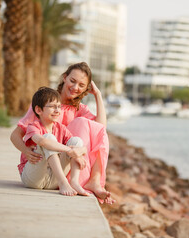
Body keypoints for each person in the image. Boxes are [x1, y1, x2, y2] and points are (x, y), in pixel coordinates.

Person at [10, 62, 115, 204]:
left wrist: (98, 95)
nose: (75, 87)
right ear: (64, 77)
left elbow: (100, 129)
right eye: (72, 81)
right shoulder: (44, 104)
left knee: (87, 128)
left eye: (81, 85)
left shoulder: (79, 109)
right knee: (49, 137)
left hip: (59, 168)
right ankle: (70, 182)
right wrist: (25, 150)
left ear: (86, 88)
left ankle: (94, 181)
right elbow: (15, 135)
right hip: (38, 164)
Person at [20, 86, 89, 196]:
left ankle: (74, 182)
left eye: (59, 106)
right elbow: (43, 141)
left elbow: (82, 148)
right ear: (39, 110)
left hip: (53, 179)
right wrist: (69, 150)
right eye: (52, 107)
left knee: (76, 141)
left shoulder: (61, 128)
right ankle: (63, 183)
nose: (57, 110)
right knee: (48, 138)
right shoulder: (34, 127)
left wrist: (78, 154)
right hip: (33, 179)